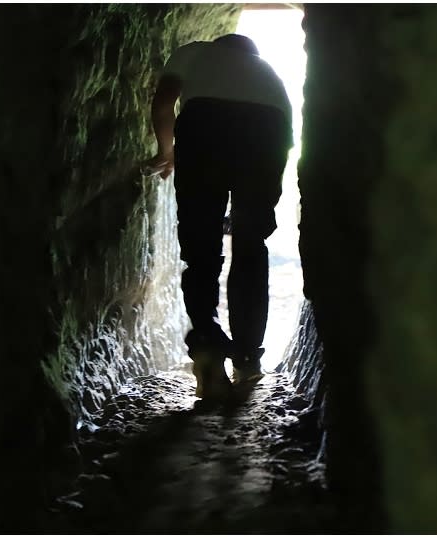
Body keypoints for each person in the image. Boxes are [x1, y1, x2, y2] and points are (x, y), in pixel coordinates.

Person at [144, 34, 293, 400]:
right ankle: (246, 358)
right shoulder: (269, 75)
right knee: (250, 245)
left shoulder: (193, 53)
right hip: (268, 129)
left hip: (205, 124)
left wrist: (167, 151)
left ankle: (208, 347)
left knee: (201, 246)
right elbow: (284, 145)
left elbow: (163, 103)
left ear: (220, 44)